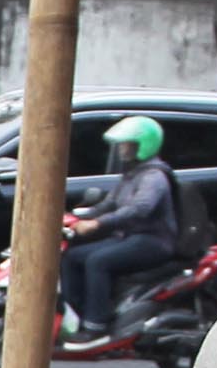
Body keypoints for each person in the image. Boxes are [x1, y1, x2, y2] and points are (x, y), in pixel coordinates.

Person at [58, 112, 177, 339]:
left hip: (152, 241)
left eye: (127, 145)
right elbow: (108, 203)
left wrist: (96, 224)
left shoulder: (154, 176)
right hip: (130, 238)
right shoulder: (132, 174)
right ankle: (83, 315)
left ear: (142, 145)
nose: (122, 149)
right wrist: (73, 218)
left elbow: (140, 208)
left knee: (98, 261)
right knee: (71, 257)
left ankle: (97, 324)